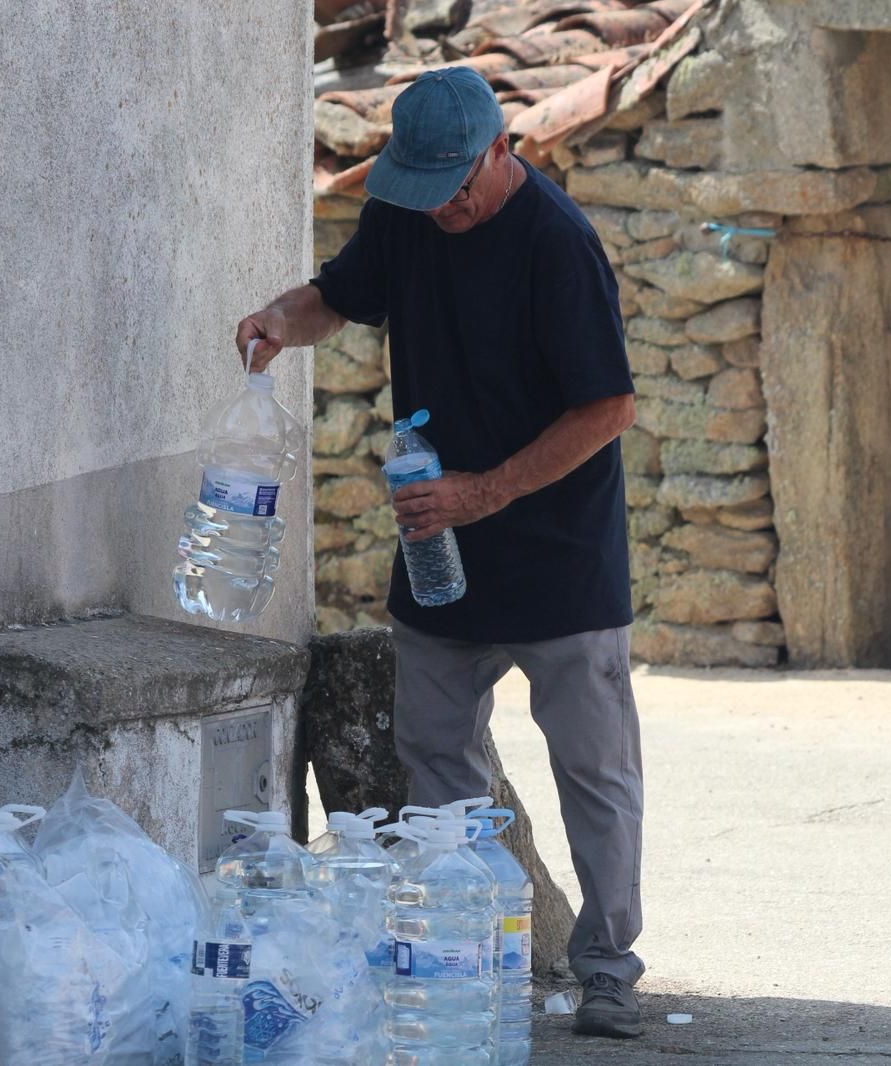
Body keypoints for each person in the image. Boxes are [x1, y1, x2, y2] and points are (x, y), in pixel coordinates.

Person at [234, 66, 645, 1039]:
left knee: (593, 765)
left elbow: (609, 407)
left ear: (504, 150)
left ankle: (607, 967)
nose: (446, 208)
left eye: (458, 186)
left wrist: (487, 489)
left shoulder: (558, 244)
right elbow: (338, 297)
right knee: (432, 749)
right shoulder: (408, 214)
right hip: (437, 546)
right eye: (426, 190)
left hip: (558, 551)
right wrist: (279, 325)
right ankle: (475, 945)